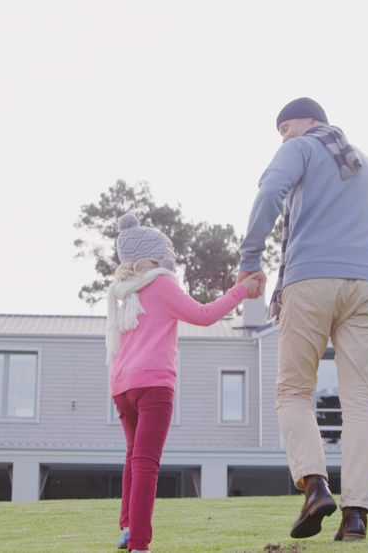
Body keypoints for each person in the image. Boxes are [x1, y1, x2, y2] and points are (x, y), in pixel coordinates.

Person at [238, 97, 368, 542]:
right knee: (360, 399)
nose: (283, 137)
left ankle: (315, 484)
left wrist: (250, 258)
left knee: (292, 391)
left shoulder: (301, 147)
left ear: (306, 122)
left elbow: (269, 193)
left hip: (311, 279)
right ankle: (357, 513)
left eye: (285, 128)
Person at [107, 213, 262, 553]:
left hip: (122, 386)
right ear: (154, 254)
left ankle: (129, 529)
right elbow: (203, 316)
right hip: (154, 385)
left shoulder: (123, 291)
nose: (172, 259)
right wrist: (242, 290)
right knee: (146, 461)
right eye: (168, 252)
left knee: (133, 457)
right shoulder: (161, 283)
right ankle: (139, 544)